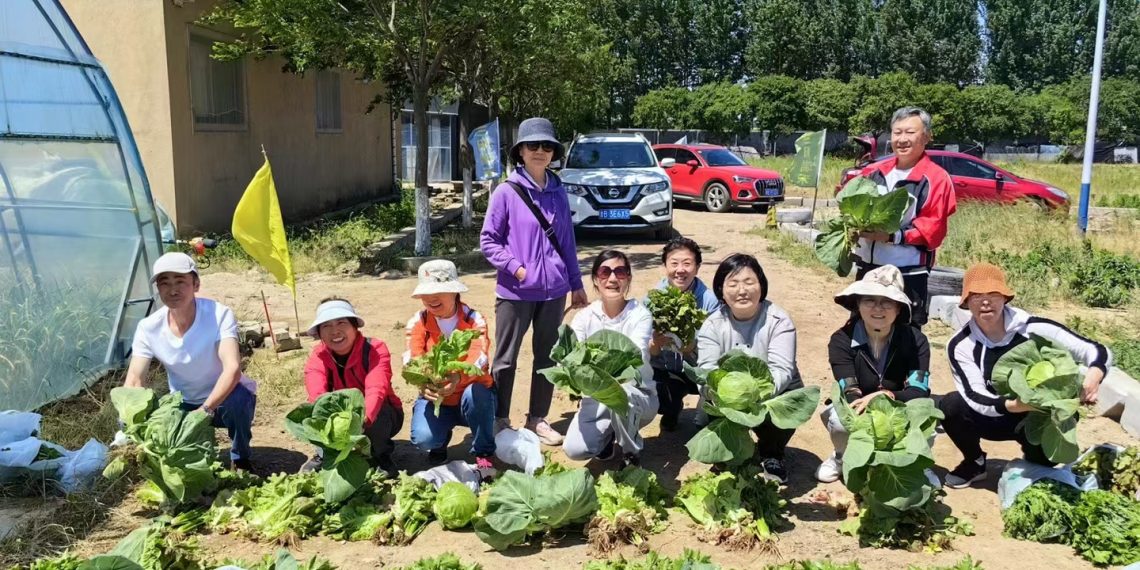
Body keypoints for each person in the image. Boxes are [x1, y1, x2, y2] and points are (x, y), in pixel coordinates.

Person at [940, 262, 1112, 488]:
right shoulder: (960, 344)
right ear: (966, 302)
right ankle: (974, 461)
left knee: (1044, 468)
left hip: (1040, 417)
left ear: (1004, 297)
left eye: (993, 294)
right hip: (997, 415)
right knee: (951, 405)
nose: (985, 301)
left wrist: (1094, 375)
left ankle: (1037, 462)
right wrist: (1018, 403)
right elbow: (975, 396)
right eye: (976, 296)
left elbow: (1096, 350)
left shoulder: (1033, 328)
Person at [480, 117, 588, 445]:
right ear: (521, 152)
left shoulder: (559, 193)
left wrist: (575, 283)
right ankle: (500, 419)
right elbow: (488, 241)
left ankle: (537, 419)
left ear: (553, 152)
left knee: (547, 357)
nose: (540, 151)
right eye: (532, 146)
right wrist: (516, 268)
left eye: (546, 146)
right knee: (506, 357)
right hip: (515, 291)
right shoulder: (506, 192)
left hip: (553, 291)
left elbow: (566, 242)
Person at [124, 252, 257, 470]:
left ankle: (240, 457)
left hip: (224, 399)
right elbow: (135, 379)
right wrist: (129, 418)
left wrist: (206, 409)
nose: (173, 290)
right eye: (164, 283)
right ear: (158, 288)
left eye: (180, 282)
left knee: (239, 400)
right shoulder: (148, 327)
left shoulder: (218, 314)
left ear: (196, 284)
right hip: (182, 403)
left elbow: (232, 368)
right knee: (181, 459)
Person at [816, 265, 932, 483]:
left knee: (926, 419)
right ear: (858, 304)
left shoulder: (916, 341)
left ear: (899, 308)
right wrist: (870, 410)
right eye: (869, 300)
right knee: (840, 424)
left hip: (899, 406)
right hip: (857, 405)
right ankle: (842, 457)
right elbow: (849, 389)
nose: (878, 308)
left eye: (887, 302)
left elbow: (919, 390)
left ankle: (917, 464)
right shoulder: (841, 340)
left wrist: (886, 397)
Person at [696, 253, 802, 483]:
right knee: (708, 410)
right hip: (727, 399)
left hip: (768, 392)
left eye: (749, 282)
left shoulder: (779, 321)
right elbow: (705, 370)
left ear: (761, 286)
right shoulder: (712, 324)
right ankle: (728, 453)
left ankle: (772, 453)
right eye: (732, 284)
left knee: (792, 393)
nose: (742, 290)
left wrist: (753, 397)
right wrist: (724, 398)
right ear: (721, 291)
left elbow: (782, 369)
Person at [848, 106, 957, 328]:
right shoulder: (876, 173)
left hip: (907, 274)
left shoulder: (936, 178)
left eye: (910, 132)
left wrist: (891, 236)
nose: (902, 139)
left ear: (926, 137)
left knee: (904, 339)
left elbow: (933, 231)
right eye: (897, 133)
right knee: (860, 333)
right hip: (869, 270)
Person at [563, 250, 657, 466]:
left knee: (622, 395)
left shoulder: (639, 314)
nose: (613, 278)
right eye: (605, 272)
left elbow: (637, 353)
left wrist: (593, 370)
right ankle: (607, 438)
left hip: (638, 394)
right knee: (575, 449)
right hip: (596, 398)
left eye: (620, 272)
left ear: (629, 278)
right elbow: (568, 357)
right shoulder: (585, 316)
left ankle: (631, 453)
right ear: (596, 279)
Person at [404, 260, 496, 470]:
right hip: (437, 399)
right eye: (426, 293)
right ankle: (439, 443)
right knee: (423, 439)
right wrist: (423, 384)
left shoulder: (475, 320)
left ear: (455, 292)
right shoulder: (416, 322)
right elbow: (411, 360)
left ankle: (483, 452)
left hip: (470, 397)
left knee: (476, 394)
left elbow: (479, 358)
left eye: (440, 291)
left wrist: (456, 378)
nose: (431, 299)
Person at [302, 297, 403, 474]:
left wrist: (361, 422)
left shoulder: (375, 349)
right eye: (326, 326)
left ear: (355, 327)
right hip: (338, 415)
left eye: (342, 322)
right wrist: (331, 425)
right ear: (319, 333)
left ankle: (380, 454)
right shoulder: (318, 356)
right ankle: (325, 453)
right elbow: (316, 393)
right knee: (310, 412)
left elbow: (376, 388)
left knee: (376, 411)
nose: (335, 331)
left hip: (380, 415)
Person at [646, 237, 721, 431]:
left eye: (687, 264)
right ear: (665, 265)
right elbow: (645, 352)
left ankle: (705, 412)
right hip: (665, 367)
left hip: (696, 369)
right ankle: (672, 408)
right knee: (656, 391)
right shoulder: (652, 298)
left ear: (697, 267)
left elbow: (715, 348)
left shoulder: (709, 301)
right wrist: (654, 345)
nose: (680, 270)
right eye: (674, 263)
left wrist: (691, 347)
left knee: (715, 388)